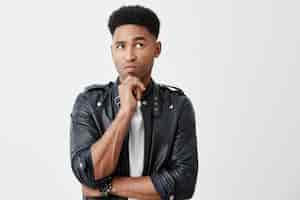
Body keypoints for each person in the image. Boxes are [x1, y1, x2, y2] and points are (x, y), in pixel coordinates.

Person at [70, 5, 198, 200]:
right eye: (121, 46)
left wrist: (108, 186)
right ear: (112, 50)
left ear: (156, 49)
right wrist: (125, 112)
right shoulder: (89, 103)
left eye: (139, 45)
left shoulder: (177, 106)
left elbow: (183, 184)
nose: (129, 56)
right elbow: (89, 173)